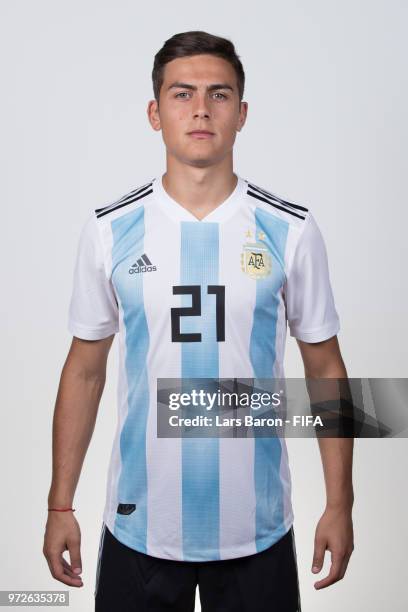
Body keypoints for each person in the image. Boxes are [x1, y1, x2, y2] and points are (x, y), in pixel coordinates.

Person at [43, 30, 354, 612]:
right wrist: (61, 504)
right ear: (155, 113)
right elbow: (85, 371)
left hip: (257, 530)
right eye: (182, 94)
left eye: (219, 94)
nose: (202, 109)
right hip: (139, 527)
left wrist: (340, 504)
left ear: (242, 113)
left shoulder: (290, 230)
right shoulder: (110, 231)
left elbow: (325, 368)